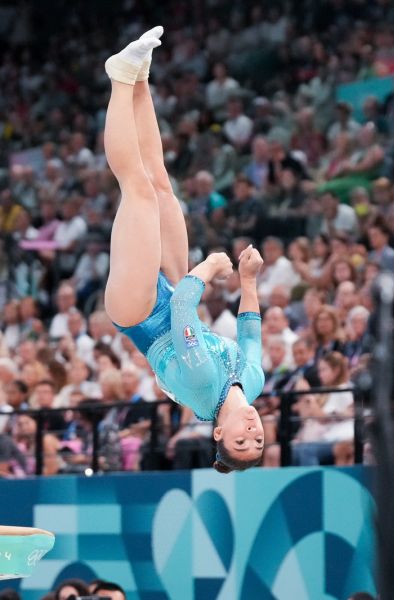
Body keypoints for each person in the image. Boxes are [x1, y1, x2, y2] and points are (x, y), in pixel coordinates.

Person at [102, 28, 265, 474]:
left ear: (218, 434)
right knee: (160, 184)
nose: (252, 429)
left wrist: (212, 266)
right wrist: (248, 283)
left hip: (140, 312)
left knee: (138, 191)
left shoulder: (200, 384)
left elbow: (181, 307)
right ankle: (139, 80)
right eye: (258, 439)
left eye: (241, 440)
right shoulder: (252, 383)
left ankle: (118, 78)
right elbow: (250, 335)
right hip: (173, 294)